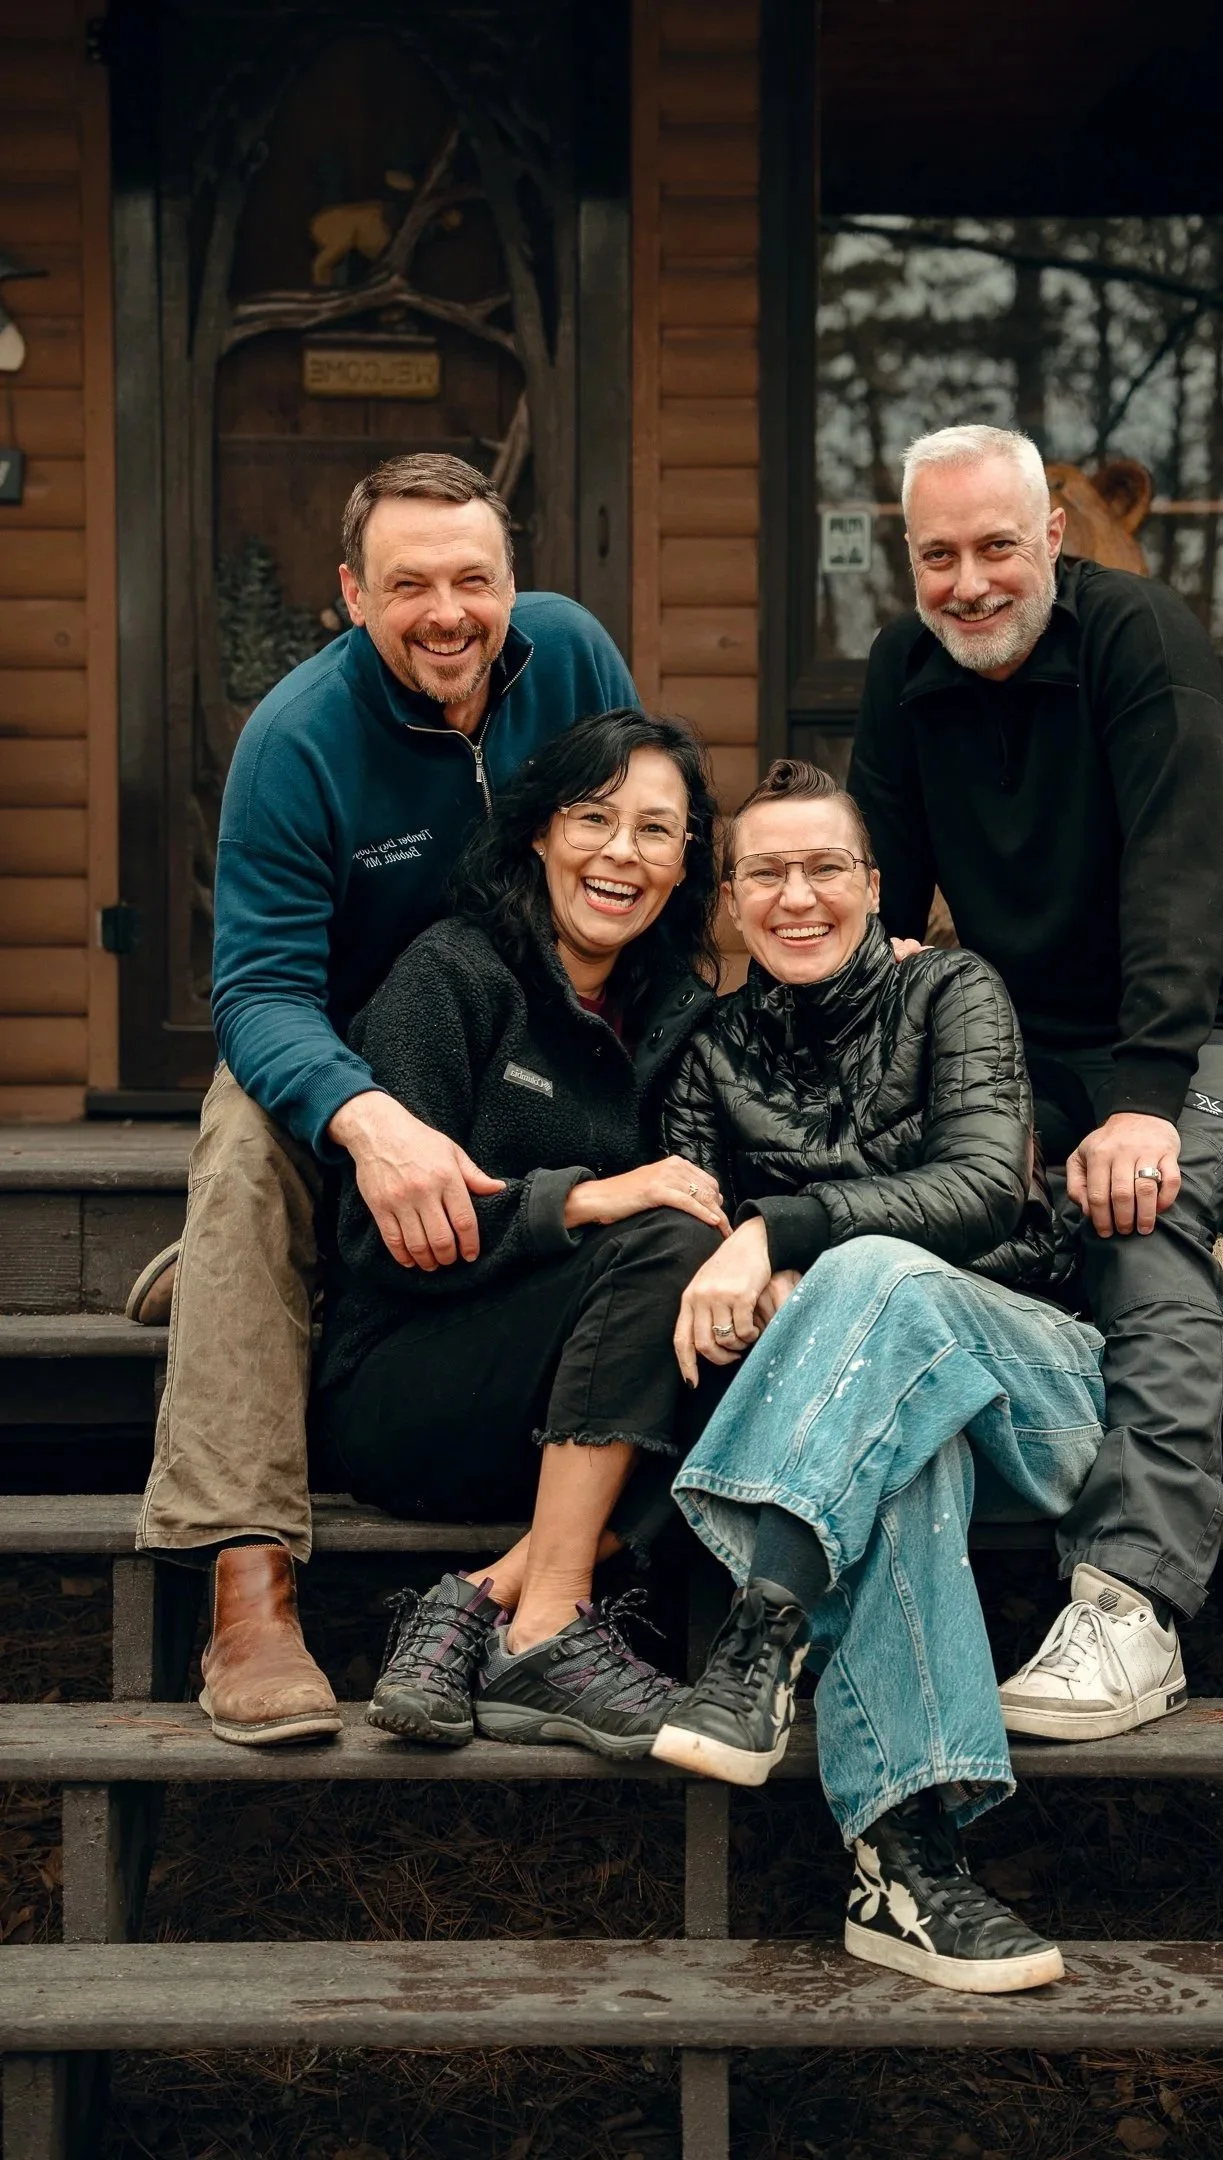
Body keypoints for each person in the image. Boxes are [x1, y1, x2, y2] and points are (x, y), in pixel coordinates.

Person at [131, 452, 638, 1747]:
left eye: (475, 579)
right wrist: (365, 1118)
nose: (449, 612)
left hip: (525, 1041)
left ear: (515, 582)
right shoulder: (296, 740)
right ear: (353, 594)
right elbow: (255, 993)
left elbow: (638, 847)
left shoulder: (573, 662)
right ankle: (248, 1578)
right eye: (410, 584)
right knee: (247, 1145)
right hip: (350, 1064)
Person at [846, 422, 1223, 1742]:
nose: (970, 583)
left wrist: (1141, 1105)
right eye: (938, 555)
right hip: (1027, 1034)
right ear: (909, 558)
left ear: (1053, 537)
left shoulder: (1141, 642)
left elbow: (1186, 882)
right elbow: (877, 896)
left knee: (1145, 1202)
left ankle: (1131, 1606)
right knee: (941, 1200)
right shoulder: (904, 669)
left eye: (998, 546)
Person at [648, 759, 1106, 1996]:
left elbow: (978, 1190)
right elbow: (686, 1237)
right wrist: (747, 1260)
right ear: (730, 902)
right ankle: (906, 1867)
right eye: (767, 875)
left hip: (1035, 1380)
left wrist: (787, 1238)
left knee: (881, 1279)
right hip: (880, 1422)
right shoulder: (709, 1053)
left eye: (826, 868)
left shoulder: (952, 991)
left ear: (874, 885)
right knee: (904, 1448)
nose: (799, 896)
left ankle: (767, 1625)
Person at [311, 710, 727, 1759]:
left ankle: (479, 1604)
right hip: (409, 1390)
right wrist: (580, 1200)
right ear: (539, 832)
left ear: (686, 864)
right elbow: (372, 1239)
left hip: (581, 1407)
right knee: (666, 1239)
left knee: (758, 1330)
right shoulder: (451, 977)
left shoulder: (677, 1012)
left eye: (656, 831)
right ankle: (548, 1624)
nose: (621, 854)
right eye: (594, 818)